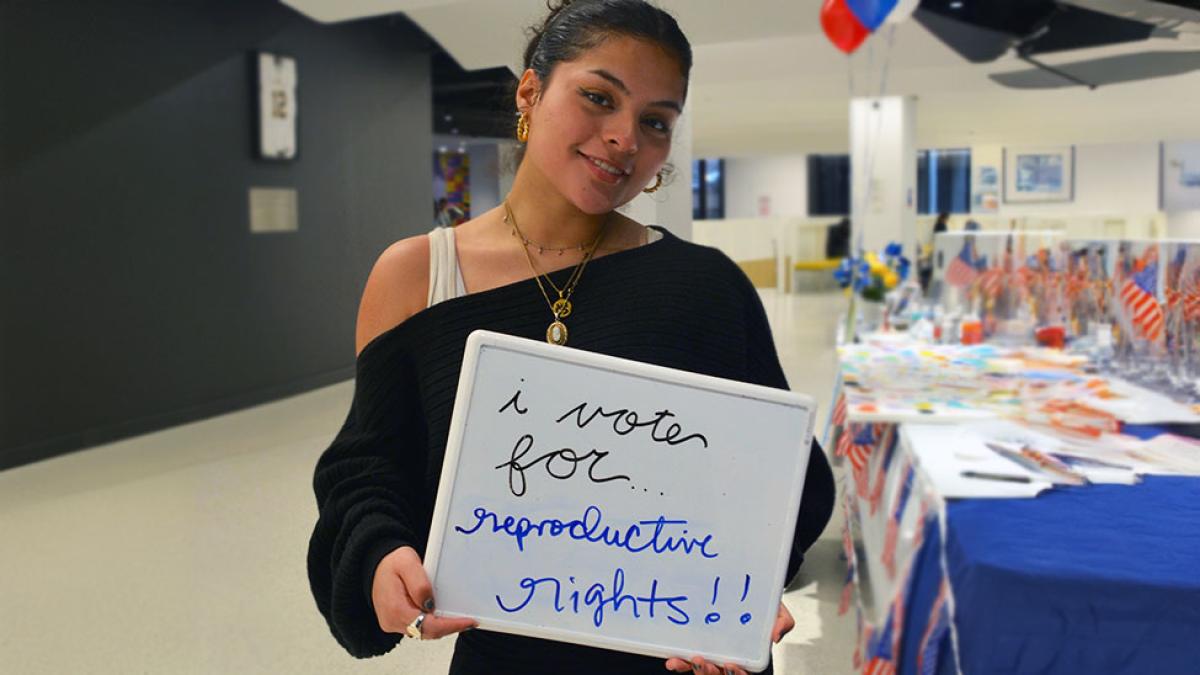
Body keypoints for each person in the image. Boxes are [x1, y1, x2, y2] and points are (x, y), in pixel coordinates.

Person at [306, 2, 835, 674]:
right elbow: (366, 466)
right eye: (598, 97)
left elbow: (789, 477)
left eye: (655, 122)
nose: (623, 138)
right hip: (505, 656)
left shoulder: (705, 288)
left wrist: (746, 586)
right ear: (530, 92)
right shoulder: (419, 275)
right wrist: (381, 553)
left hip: (678, 654)